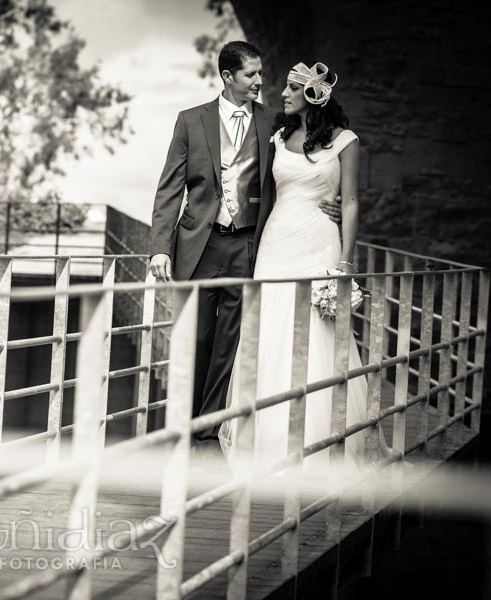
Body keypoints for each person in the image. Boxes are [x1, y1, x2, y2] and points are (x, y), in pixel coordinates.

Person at [148, 42, 340, 450]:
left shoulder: (273, 122)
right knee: (195, 337)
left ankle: (206, 426)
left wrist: (333, 198)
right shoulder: (190, 121)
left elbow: (312, 153)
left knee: (229, 342)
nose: (260, 81)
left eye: (260, 73)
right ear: (228, 77)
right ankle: (181, 419)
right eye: (251, 74)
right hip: (198, 244)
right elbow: (169, 189)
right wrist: (159, 248)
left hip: (248, 244)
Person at [219, 61, 388, 471]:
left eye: (292, 88)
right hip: (276, 245)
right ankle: (267, 441)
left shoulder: (346, 140)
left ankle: (317, 443)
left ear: (314, 94)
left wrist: (345, 261)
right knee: (268, 331)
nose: (282, 93)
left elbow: (349, 201)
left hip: (318, 244)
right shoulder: (278, 136)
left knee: (318, 335)